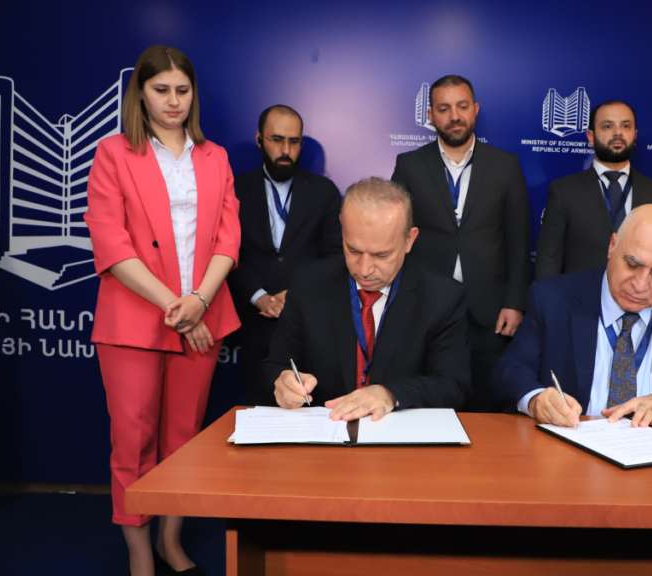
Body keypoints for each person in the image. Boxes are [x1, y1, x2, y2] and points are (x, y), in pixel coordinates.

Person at [84, 45, 240, 576]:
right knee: (133, 442)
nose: (173, 101)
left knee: (185, 441)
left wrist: (200, 302)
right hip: (135, 319)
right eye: (161, 90)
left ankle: (171, 543)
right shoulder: (113, 153)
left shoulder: (215, 157)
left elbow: (228, 239)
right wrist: (179, 308)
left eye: (182, 90)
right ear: (141, 93)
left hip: (202, 315)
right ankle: (139, 556)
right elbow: (112, 244)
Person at [492, 204, 652, 427]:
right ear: (612, 246)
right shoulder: (552, 298)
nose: (640, 285)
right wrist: (536, 400)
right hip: (572, 440)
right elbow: (511, 369)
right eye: (632, 265)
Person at [263, 177, 470, 421]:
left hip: (400, 438)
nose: (364, 269)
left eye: (381, 255)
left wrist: (391, 394)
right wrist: (283, 382)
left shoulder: (442, 297)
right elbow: (275, 364)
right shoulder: (308, 283)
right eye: (353, 250)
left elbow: (453, 385)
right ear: (342, 226)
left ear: (409, 239)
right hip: (325, 434)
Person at [391, 75, 530, 413]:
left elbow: (518, 239)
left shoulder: (505, 165)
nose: (454, 116)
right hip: (425, 305)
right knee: (427, 400)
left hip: (489, 311)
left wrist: (515, 302)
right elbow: (394, 235)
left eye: (462, 106)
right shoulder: (409, 165)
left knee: (486, 402)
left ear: (475, 109)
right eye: (444, 108)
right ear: (430, 116)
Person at [226, 105, 342, 406]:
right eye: (277, 140)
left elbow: (335, 256)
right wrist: (259, 297)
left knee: (310, 408)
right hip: (254, 324)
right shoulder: (235, 190)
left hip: (310, 323)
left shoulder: (325, 191)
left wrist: (296, 293)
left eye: (294, 141)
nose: (286, 150)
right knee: (260, 410)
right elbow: (227, 254)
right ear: (259, 139)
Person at [535, 100, 652, 282]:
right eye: (607, 126)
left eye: (625, 126)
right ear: (590, 136)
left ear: (634, 136)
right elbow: (548, 262)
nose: (618, 132)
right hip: (581, 297)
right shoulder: (563, 191)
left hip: (641, 295)